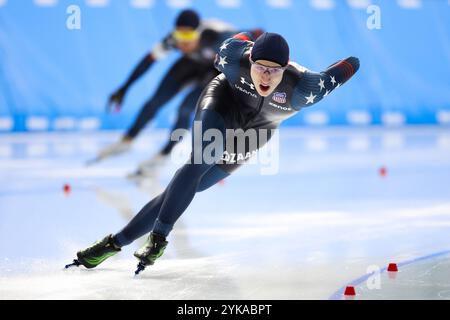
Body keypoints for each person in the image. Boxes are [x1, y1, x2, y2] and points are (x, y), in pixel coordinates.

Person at [66, 32, 360, 274]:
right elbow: (239, 39)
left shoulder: (307, 88)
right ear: (250, 59)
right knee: (200, 159)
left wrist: (346, 64)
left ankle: (112, 243)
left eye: (274, 71)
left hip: (257, 130)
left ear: (285, 69)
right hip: (222, 102)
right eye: (260, 67)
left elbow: (349, 65)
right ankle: (158, 239)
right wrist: (249, 39)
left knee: (184, 188)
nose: (266, 76)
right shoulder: (232, 58)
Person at [92, 9, 263, 179]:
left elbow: (252, 40)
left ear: (199, 33)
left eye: (188, 38)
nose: (183, 43)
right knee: (156, 100)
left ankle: (162, 156)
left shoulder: (218, 36)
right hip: (191, 63)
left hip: (214, 70)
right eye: (180, 37)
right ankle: (127, 141)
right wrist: (124, 88)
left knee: (186, 108)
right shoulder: (173, 40)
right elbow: (147, 61)